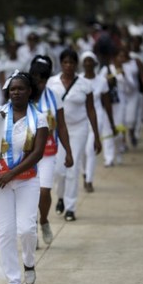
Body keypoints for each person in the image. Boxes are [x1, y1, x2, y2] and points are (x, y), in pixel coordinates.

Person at [0, 72, 48, 284]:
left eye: (20, 88)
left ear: (29, 91)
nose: (16, 92)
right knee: (5, 233)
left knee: (26, 229)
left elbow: (38, 153)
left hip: (27, 180)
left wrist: (11, 173)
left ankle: (29, 262)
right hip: (0, 182)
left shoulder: (40, 118)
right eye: (12, 89)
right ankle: (13, 281)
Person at [47, 48, 101, 222]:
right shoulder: (51, 83)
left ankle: (70, 207)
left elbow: (91, 110)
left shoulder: (84, 84)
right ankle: (60, 196)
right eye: (65, 62)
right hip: (57, 130)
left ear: (75, 64)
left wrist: (97, 136)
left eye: (71, 62)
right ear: (61, 64)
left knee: (73, 167)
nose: (68, 66)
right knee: (58, 170)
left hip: (79, 129)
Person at [28, 56, 73, 246]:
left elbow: (61, 126)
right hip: (26, 153)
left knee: (44, 191)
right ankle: (32, 230)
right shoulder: (23, 93)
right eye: (36, 78)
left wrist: (68, 151)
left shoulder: (53, 96)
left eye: (42, 79)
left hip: (47, 152)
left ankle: (44, 220)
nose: (38, 83)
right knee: (28, 194)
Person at [79, 51, 116, 192]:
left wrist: (111, 123)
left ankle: (89, 180)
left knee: (90, 149)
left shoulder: (102, 81)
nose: (88, 63)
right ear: (82, 64)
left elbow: (107, 103)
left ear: (95, 63)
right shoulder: (78, 79)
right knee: (81, 150)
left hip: (97, 116)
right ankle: (84, 172)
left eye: (90, 61)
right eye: (85, 61)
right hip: (81, 117)